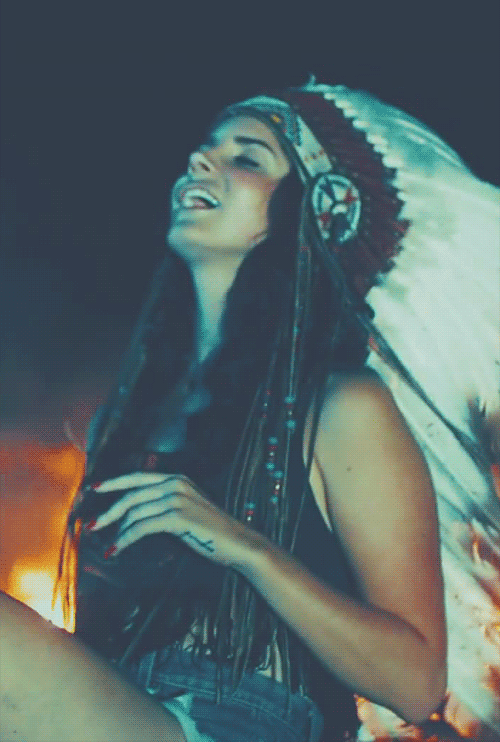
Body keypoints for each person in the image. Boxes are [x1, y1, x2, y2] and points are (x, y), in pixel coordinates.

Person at [5, 79, 487, 742]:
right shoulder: (123, 422)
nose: (200, 160)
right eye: (205, 148)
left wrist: (240, 544)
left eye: (247, 157)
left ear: (308, 214)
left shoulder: (341, 406)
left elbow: (416, 681)